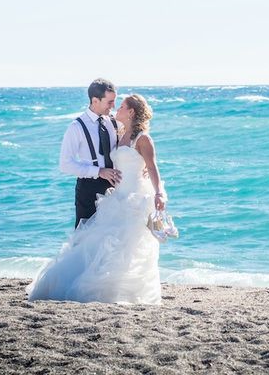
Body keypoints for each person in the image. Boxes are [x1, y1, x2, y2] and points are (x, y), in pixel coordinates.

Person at [26, 94, 167, 304]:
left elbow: (153, 167)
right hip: (117, 196)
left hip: (136, 197)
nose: (116, 108)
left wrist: (159, 193)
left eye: (121, 106)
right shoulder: (119, 133)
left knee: (130, 245)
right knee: (103, 240)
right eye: (113, 103)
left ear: (131, 112)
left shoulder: (143, 138)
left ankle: (124, 291)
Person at [59, 78, 122, 228]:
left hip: (116, 186)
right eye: (109, 102)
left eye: (114, 101)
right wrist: (99, 171)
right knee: (84, 237)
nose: (114, 106)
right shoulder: (76, 127)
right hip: (89, 188)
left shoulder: (114, 122)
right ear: (95, 101)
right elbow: (65, 164)